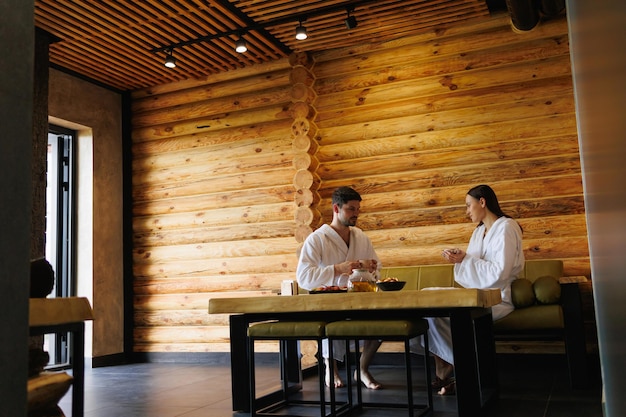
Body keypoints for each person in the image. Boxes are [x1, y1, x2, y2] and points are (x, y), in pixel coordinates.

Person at [420, 184, 524, 395]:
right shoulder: (478, 232)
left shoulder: (507, 227)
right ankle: (453, 366)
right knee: (427, 297)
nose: (467, 211)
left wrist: (465, 259)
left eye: (468, 205)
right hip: (473, 294)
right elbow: (470, 267)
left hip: (497, 298)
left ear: (482, 202)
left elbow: (500, 272)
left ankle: (462, 371)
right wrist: (459, 258)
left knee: (443, 311)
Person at [296, 186, 383, 389]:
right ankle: (330, 368)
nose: (356, 214)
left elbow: (377, 268)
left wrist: (369, 267)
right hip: (330, 303)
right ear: (336, 208)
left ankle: (362, 369)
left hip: (361, 300)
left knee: (383, 321)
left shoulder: (361, 237)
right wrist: (336, 269)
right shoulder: (317, 239)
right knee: (332, 318)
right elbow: (303, 277)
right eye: (351, 209)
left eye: (357, 209)